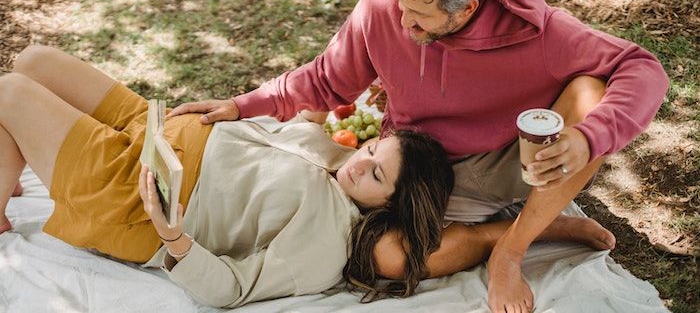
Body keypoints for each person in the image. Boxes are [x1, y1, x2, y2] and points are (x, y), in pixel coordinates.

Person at [165, 0, 669, 312]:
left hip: (502, 163)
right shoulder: (386, 3)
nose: (403, 24)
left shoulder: (543, 33)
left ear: (468, 7)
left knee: (592, 96)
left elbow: (642, 67)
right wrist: (242, 104)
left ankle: (511, 251)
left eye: (421, 17)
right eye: (401, 5)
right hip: (413, 163)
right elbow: (325, 80)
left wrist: (589, 136)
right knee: (387, 258)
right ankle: (527, 228)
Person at [0, 46, 456, 308]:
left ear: (390, 206)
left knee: (10, 93)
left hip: (134, 194)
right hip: (151, 126)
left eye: (376, 174)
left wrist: (173, 238)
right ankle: (10, 166)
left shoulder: (326, 243)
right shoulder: (338, 160)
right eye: (373, 149)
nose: (360, 163)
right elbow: (303, 118)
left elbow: (233, 289)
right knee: (32, 61)